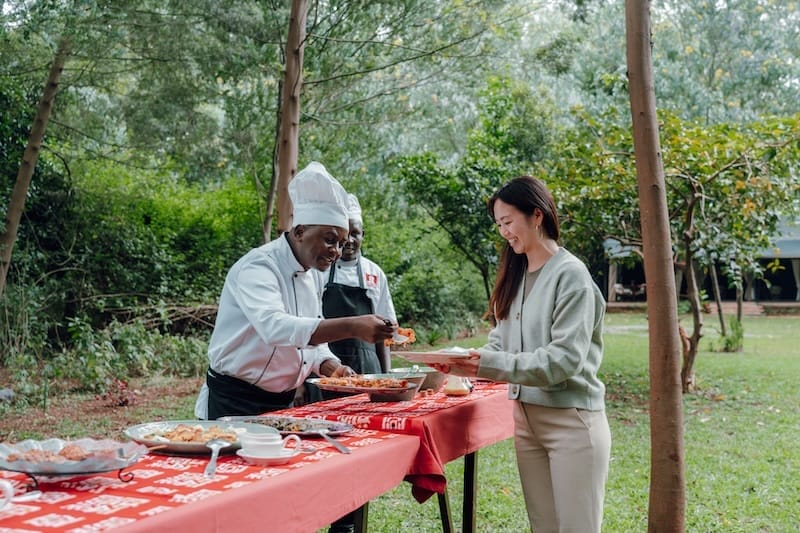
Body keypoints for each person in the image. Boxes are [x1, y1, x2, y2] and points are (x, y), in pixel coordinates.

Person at [430, 176, 611, 532]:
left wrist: (487, 364)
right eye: (498, 225)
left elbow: (562, 361)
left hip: (571, 423)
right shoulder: (516, 273)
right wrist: (465, 361)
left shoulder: (571, 275)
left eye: (508, 222)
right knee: (543, 526)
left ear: (537, 215)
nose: (504, 232)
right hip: (526, 423)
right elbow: (501, 343)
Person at [194, 162, 395, 420]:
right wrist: (353, 326)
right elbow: (276, 327)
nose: (336, 251)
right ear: (300, 231)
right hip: (235, 401)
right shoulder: (259, 266)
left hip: (282, 404)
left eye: (341, 243)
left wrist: (328, 363)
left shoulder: (311, 275)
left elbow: (310, 336)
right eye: (330, 239)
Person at [320, 193, 397, 375]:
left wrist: (386, 375)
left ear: (363, 234)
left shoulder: (375, 273)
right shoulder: (319, 271)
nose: (349, 241)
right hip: (327, 365)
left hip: (368, 366)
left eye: (355, 234)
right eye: (345, 234)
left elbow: (385, 333)